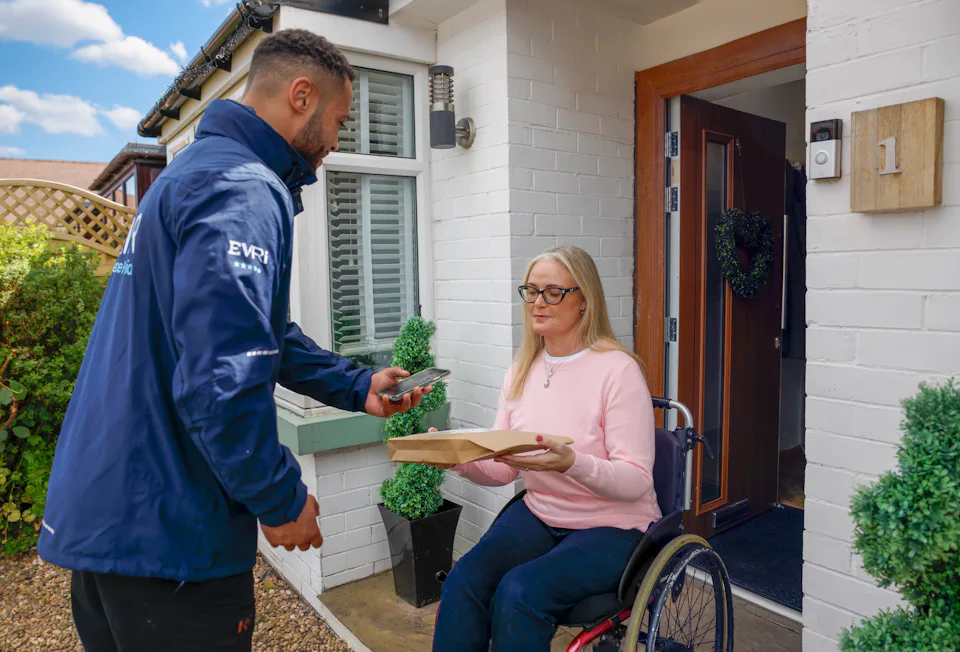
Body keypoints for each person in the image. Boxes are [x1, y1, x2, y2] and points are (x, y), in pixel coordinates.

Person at [37, 30, 429, 652]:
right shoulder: (242, 188)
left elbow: (253, 335)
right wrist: (278, 496)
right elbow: (222, 378)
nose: (337, 140)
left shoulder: (192, 171)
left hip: (115, 520)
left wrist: (356, 385)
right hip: (170, 537)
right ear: (302, 95)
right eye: (339, 119)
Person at [431, 245, 661, 652]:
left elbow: (637, 481)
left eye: (553, 292)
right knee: (465, 580)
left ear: (584, 301)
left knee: (519, 593)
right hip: (541, 513)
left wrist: (571, 463)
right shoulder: (521, 370)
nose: (537, 302)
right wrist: (457, 459)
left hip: (613, 525)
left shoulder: (618, 370)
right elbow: (503, 471)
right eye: (531, 291)